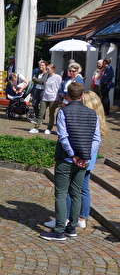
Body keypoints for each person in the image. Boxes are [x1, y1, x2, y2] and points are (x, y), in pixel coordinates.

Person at [40, 82, 100, 241]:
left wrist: (73, 155)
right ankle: (71, 228)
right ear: (82, 96)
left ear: (67, 95)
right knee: (76, 193)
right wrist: (85, 156)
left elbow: (63, 137)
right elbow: (96, 139)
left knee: (61, 194)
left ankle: (59, 230)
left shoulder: (63, 112)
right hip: (83, 161)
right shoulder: (92, 114)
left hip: (66, 159)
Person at [33, 63, 62, 135]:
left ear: (53, 69)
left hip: (53, 97)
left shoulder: (57, 77)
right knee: (41, 112)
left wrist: (58, 98)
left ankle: (49, 128)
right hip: (45, 96)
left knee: (51, 114)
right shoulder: (46, 76)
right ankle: (36, 127)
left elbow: (59, 88)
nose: (47, 71)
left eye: (48, 69)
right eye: (46, 69)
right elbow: (42, 83)